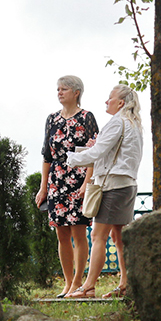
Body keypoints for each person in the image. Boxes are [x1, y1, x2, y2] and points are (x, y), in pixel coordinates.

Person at [64, 84, 144, 298]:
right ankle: (125, 284)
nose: (106, 102)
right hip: (127, 184)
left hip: (113, 187)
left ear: (121, 103)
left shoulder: (116, 122)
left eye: (110, 98)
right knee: (119, 237)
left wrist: (72, 158)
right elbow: (110, 153)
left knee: (98, 235)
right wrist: (94, 148)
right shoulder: (134, 124)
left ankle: (88, 287)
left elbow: (99, 152)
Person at [34, 76, 99, 297]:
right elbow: (46, 156)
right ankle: (68, 282)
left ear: (76, 92)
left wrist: (87, 182)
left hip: (79, 178)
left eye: (64, 89)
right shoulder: (51, 119)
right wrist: (43, 187)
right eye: (58, 89)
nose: (59, 92)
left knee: (79, 233)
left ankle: (79, 283)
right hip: (57, 180)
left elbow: (95, 153)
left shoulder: (87, 117)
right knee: (61, 234)